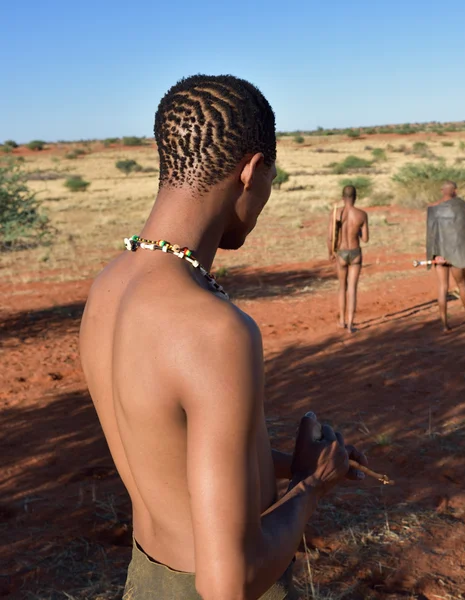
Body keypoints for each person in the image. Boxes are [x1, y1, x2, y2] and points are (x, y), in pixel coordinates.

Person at [79, 74, 367, 600]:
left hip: (146, 580)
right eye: (269, 182)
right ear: (252, 170)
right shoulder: (212, 329)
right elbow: (227, 585)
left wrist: (295, 463)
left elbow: (167, 447)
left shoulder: (110, 285)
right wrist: (312, 487)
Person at [426, 181, 465, 332]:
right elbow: (463, 229)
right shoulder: (460, 205)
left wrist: (434, 255)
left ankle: (444, 324)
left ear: (441, 190)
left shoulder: (432, 207)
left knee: (442, 287)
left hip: (439, 253)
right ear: (455, 190)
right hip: (456, 252)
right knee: (461, 283)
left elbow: (431, 234)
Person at [328, 185, 369, 333]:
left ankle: (342, 321)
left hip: (341, 253)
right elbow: (365, 239)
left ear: (343, 197)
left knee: (342, 288)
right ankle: (351, 324)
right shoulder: (361, 215)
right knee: (352, 288)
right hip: (355, 252)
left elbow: (331, 237)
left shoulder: (336, 214)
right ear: (355, 197)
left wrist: (331, 253)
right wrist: (356, 230)